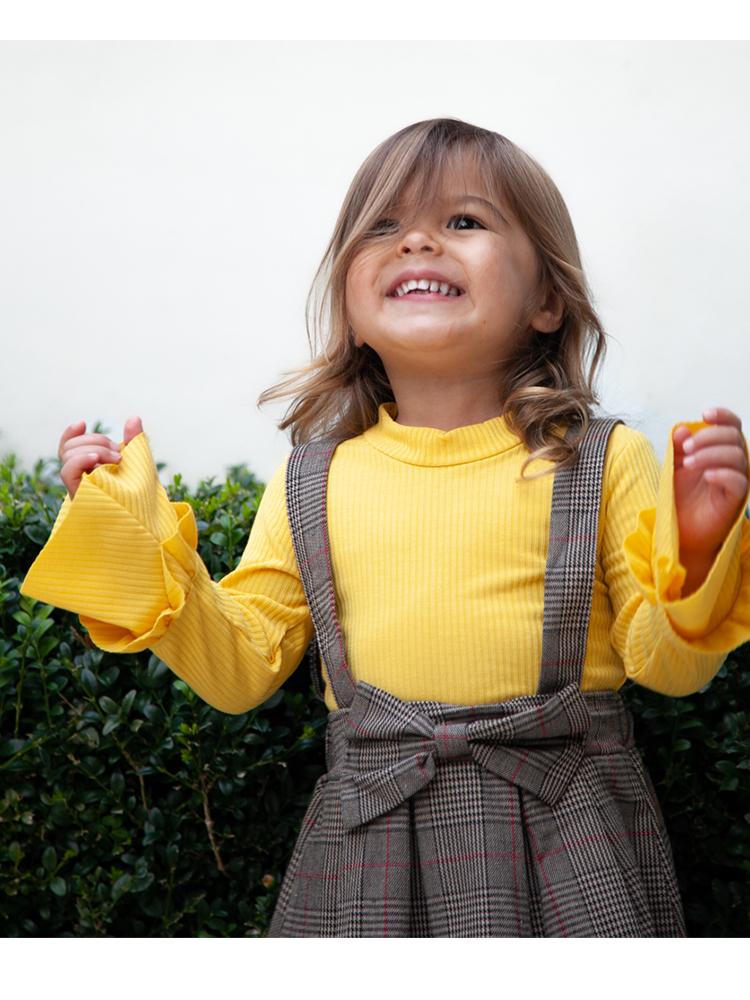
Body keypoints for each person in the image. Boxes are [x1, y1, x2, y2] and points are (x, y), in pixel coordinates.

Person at [21, 117, 750, 937]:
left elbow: (671, 669)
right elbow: (240, 670)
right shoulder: (310, 479)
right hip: (365, 847)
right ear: (349, 303)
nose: (418, 244)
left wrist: (697, 547)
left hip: (573, 840)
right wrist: (121, 531)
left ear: (548, 299)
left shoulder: (604, 461)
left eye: (465, 221)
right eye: (384, 226)